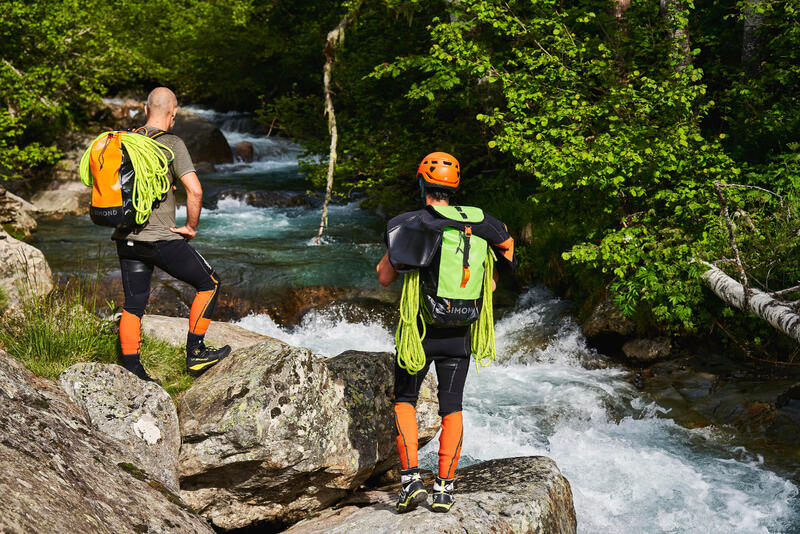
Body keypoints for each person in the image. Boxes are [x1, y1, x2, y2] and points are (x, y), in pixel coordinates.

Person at [377, 152, 515, 513]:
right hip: (461, 333)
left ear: (422, 182)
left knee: (405, 400)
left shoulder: (414, 222)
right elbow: (507, 255)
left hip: (421, 331)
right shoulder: (484, 222)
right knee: (451, 408)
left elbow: (384, 277)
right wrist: (488, 281)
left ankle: (410, 483)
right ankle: (444, 489)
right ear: (454, 188)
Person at [114, 87, 230, 382]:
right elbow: (195, 190)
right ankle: (196, 354)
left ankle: (132, 370)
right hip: (159, 238)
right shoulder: (171, 144)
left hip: (126, 238)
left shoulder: (125, 142)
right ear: (174, 112)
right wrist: (190, 227)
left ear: (144, 109)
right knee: (209, 283)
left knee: (134, 303)